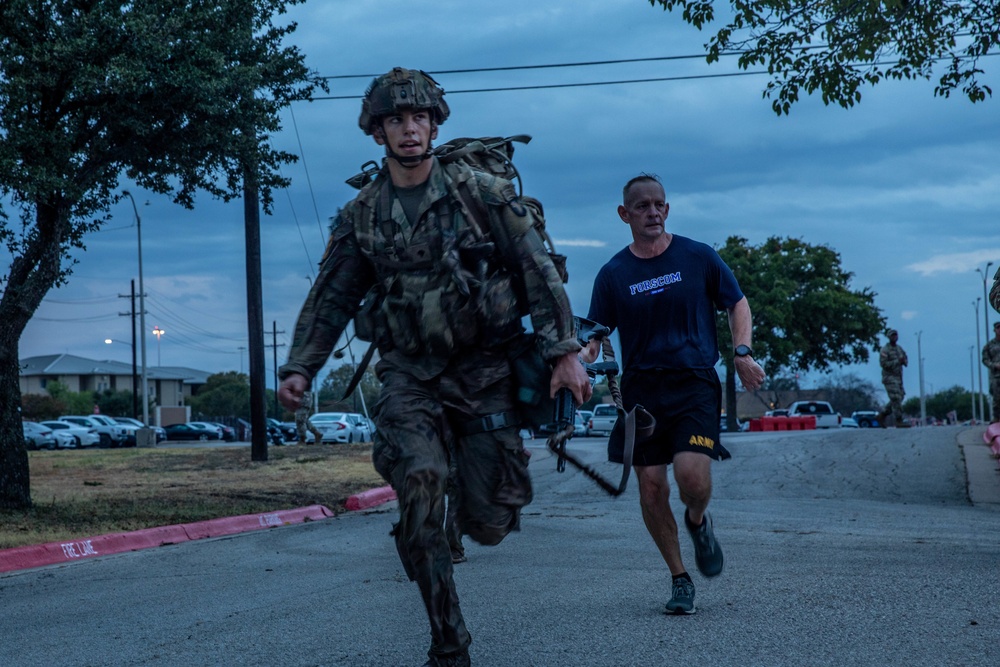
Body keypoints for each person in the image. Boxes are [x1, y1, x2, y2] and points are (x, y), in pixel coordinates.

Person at [276, 67, 590, 667]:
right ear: (377, 132)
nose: (409, 129)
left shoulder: (480, 194)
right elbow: (332, 296)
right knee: (419, 486)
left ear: (434, 123)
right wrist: (301, 368)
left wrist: (564, 352)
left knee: (492, 519)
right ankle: (449, 642)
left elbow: (537, 271)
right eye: (395, 120)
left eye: (418, 117)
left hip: (482, 370)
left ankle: (457, 511)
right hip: (408, 373)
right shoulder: (362, 214)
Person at [581, 173, 765, 615]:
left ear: (668, 209)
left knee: (692, 478)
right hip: (643, 390)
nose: (652, 212)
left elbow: (737, 302)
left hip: (695, 383)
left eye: (659, 204)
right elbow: (594, 332)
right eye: (641, 206)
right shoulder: (614, 274)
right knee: (650, 487)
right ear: (624, 214)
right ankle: (680, 578)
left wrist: (742, 352)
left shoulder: (698, 256)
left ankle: (698, 522)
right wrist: (578, 361)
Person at [878, 329, 908, 427]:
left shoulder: (899, 349)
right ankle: (899, 420)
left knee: (900, 397)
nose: (894, 337)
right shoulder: (885, 350)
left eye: (896, 335)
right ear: (889, 337)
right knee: (896, 398)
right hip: (889, 378)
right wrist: (897, 361)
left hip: (899, 378)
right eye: (892, 335)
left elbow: (905, 358)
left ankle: (882, 414)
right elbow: (884, 364)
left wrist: (904, 361)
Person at [983, 321, 1000, 424]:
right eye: (998, 328)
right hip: (996, 375)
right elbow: (985, 359)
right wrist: (994, 365)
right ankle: (997, 417)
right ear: (995, 330)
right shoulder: (989, 345)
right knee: (997, 397)